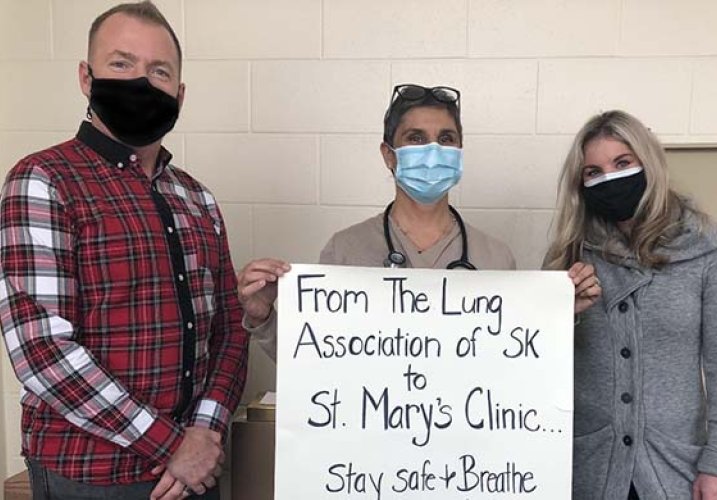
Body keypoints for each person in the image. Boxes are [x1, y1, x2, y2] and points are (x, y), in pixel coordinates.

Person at [0, 2, 247, 499]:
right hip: (89, 476)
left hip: (195, 471)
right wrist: (173, 445)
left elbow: (229, 329)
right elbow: (44, 352)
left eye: (159, 71)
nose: (141, 82)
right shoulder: (42, 181)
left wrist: (204, 433)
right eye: (121, 64)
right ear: (86, 78)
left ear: (179, 94)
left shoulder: (196, 196)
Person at [239, 83, 601, 359]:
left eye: (446, 139)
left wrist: (558, 315)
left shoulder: (495, 257)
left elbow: (515, 361)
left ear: (459, 152)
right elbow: (314, 362)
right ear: (389, 155)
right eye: (416, 139)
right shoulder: (345, 250)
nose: (433, 151)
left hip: (465, 451)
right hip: (367, 449)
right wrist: (262, 317)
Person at [545, 110, 717, 499]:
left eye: (623, 163)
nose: (610, 178)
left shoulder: (709, 250)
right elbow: (537, 361)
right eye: (593, 172)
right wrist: (562, 315)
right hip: (588, 466)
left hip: (674, 467)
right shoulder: (571, 255)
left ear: (647, 163)